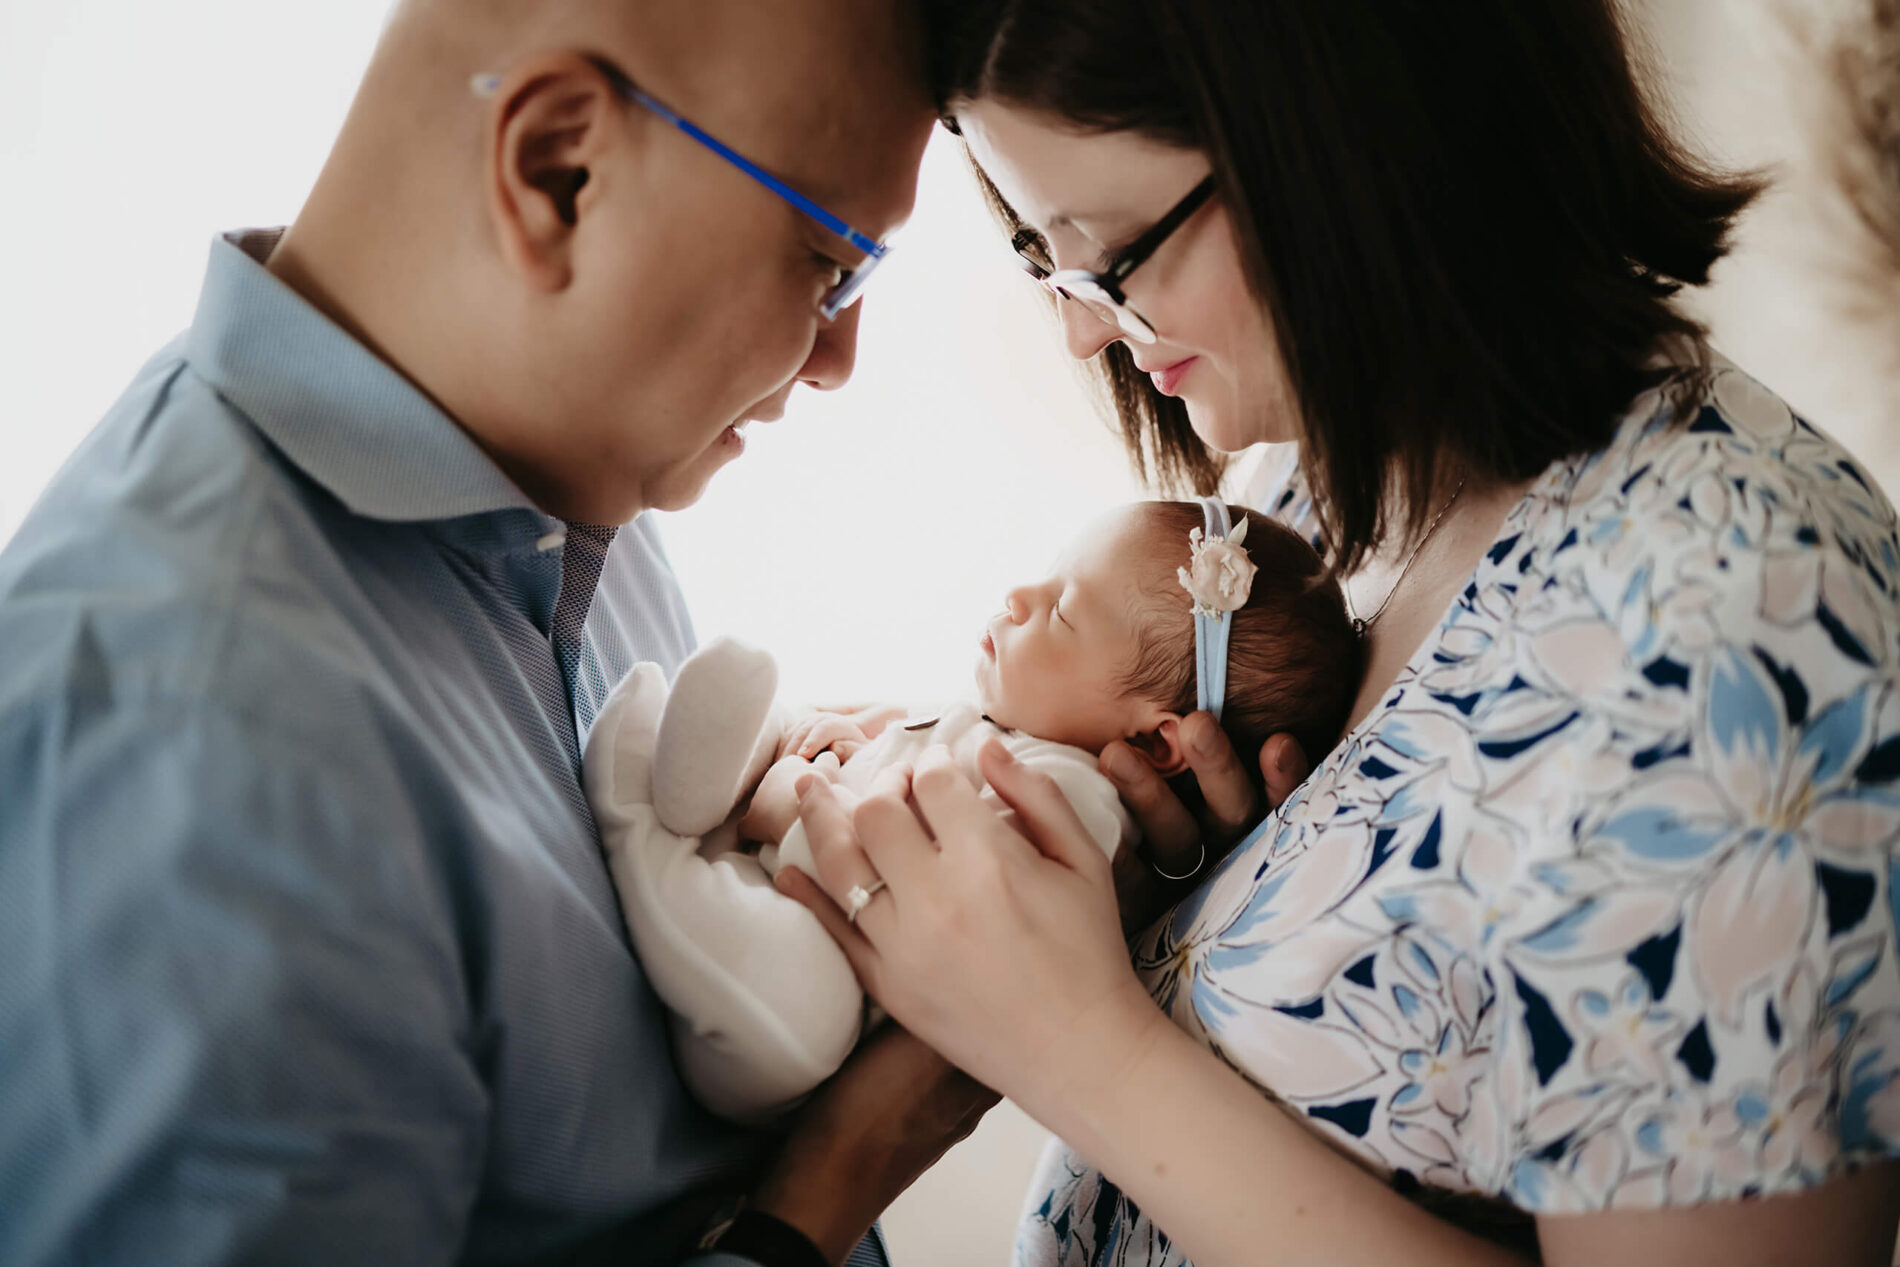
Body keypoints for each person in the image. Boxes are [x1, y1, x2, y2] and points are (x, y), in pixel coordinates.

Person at [776, 2, 1900, 1265]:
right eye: (1044, 256)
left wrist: (1069, 1039)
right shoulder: (1337, 484)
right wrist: (1140, 865)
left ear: (1342, 144)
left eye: (1109, 252)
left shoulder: (1733, 642)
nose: (1086, 324)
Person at [0, 0, 985, 1263]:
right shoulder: (187, 762)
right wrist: (839, 1174)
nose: (840, 355)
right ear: (559, 169)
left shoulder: (558, 475)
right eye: (831, 261)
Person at [582, 499, 1354, 1121]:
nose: (1018, 595)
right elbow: (890, 743)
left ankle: (647, 830)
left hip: (818, 947)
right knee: (787, 714)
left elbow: (923, 878)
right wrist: (843, 739)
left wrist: (798, 795)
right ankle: (694, 775)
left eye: (1061, 612)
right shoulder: (990, 722)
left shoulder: (1071, 800)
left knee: (795, 1017)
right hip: (795, 839)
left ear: (1154, 746)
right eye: (1048, 578)